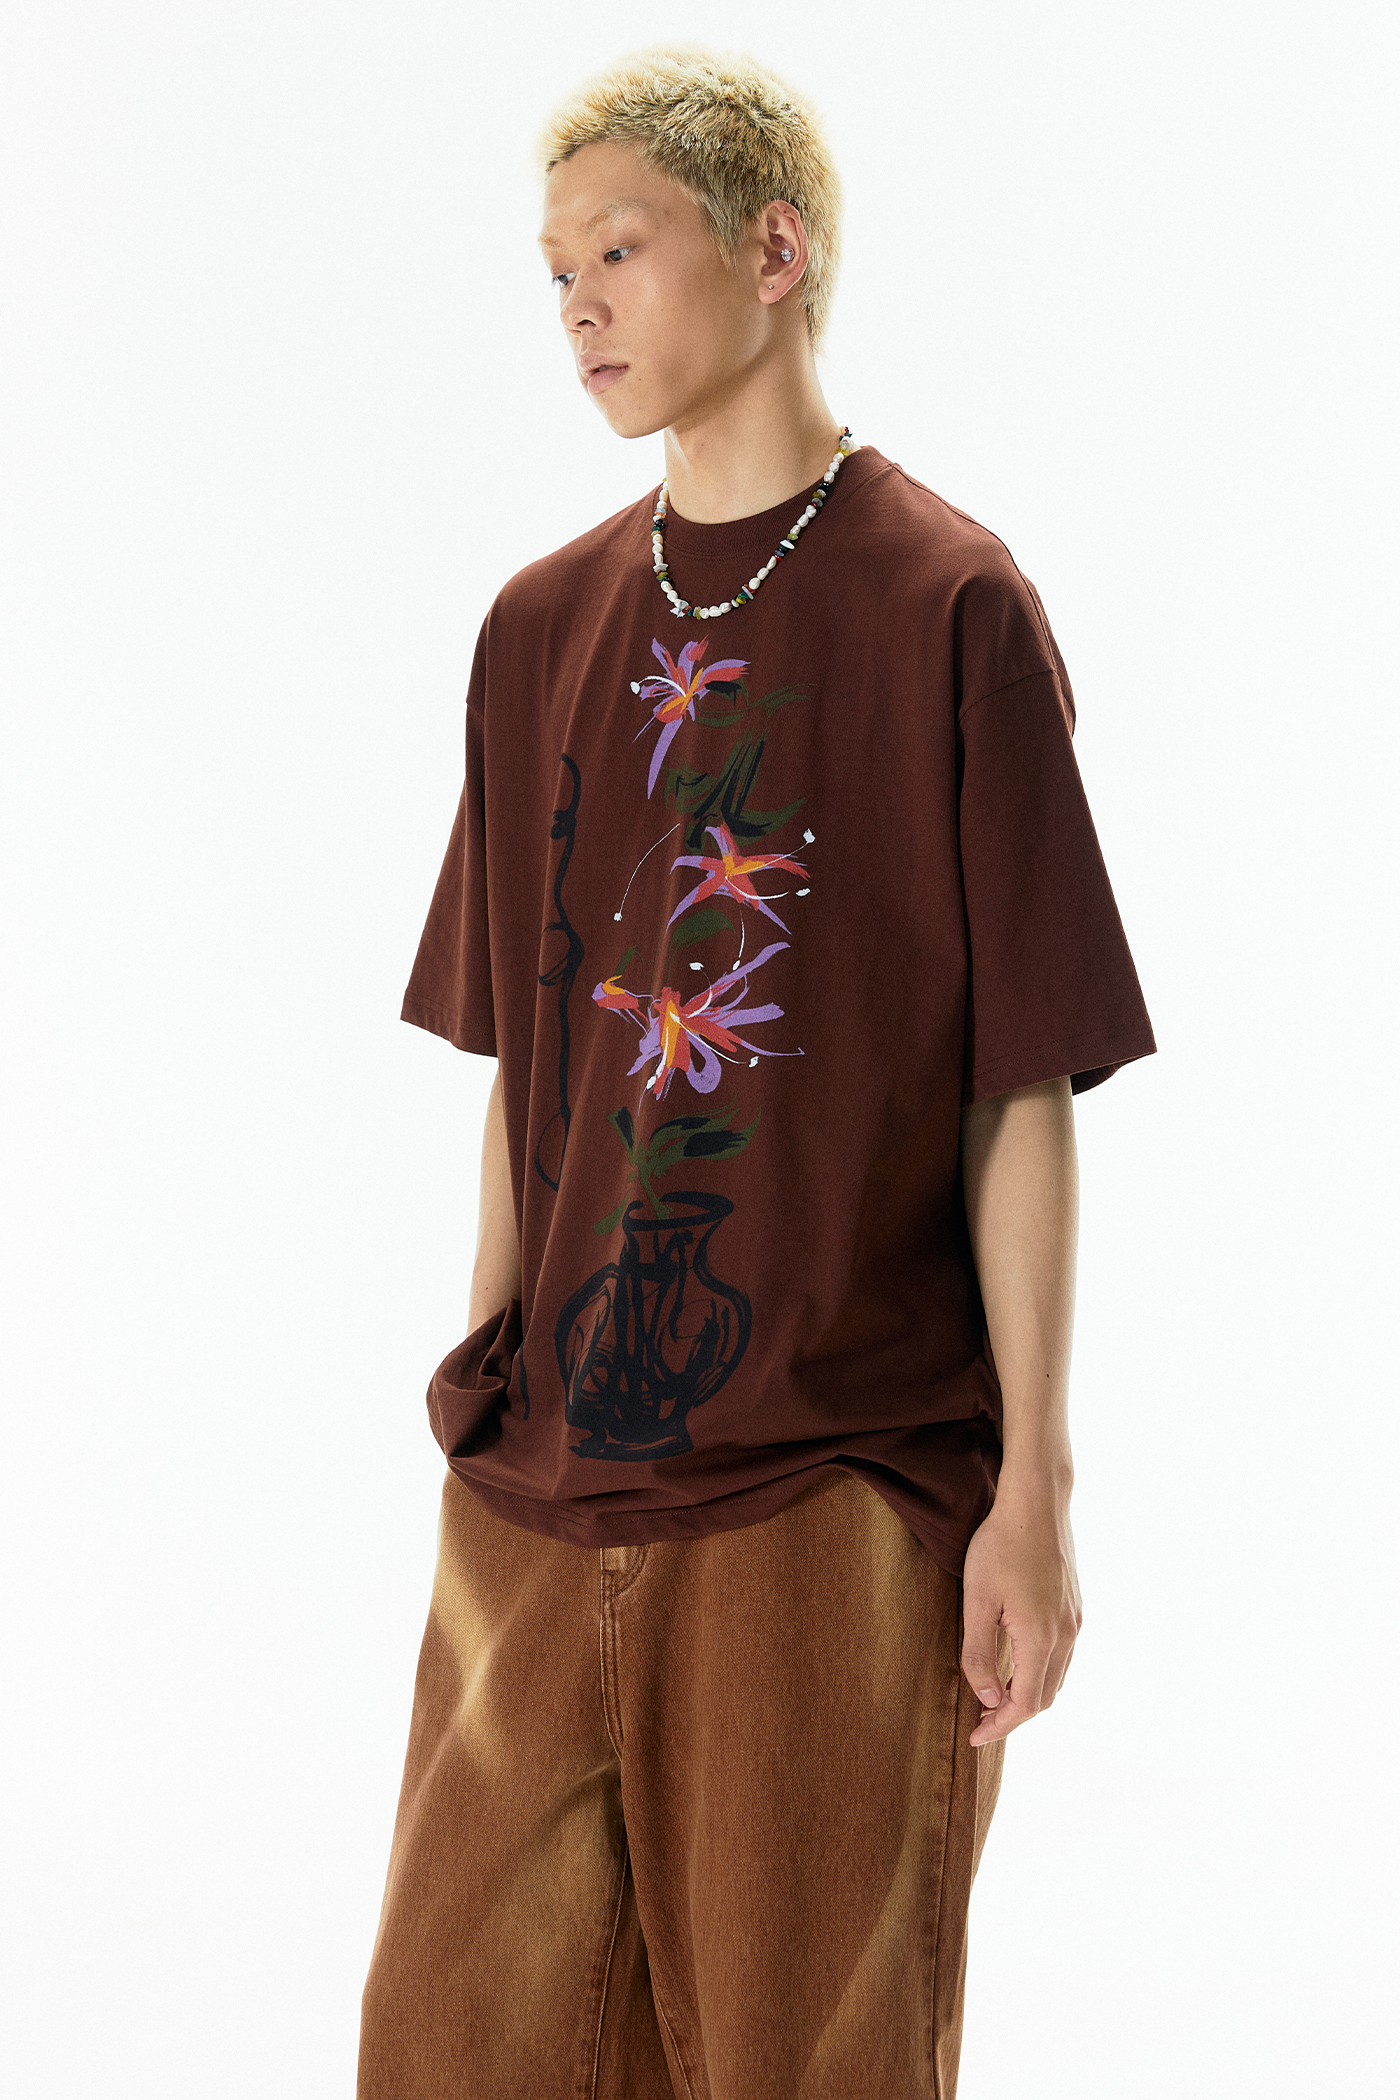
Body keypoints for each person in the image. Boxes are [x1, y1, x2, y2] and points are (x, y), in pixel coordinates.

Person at [357, 42, 1156, 2100]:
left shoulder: (950, 609)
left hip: (832, 1484)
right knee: (450, 2048)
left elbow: (1019, 1089)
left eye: (619, 252)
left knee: (811, 2065)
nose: (577, 307)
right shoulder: (537, 629)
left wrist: (1034, 1497)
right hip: (543, 1483)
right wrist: (481, 1389)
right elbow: (522, 1067)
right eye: (553, 273)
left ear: (773, 251)